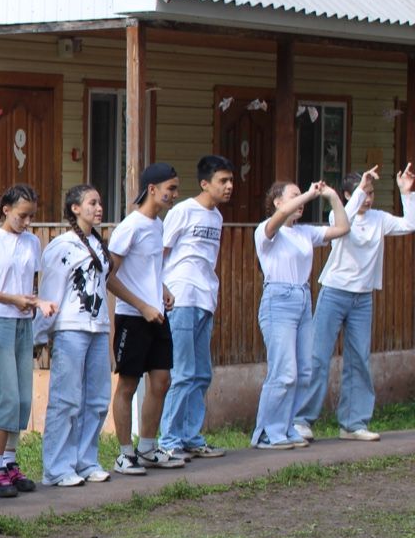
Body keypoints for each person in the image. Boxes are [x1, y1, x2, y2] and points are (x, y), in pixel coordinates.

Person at [296, 164, 415, 442]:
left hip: (363, 297)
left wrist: (405, 193)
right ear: (348, 195)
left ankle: (353, 423)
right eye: (364, 192)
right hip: (334, 292)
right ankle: (302, 419)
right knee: (318, 356)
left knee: (359, 358)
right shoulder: (341, 215)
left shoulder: (379, 219)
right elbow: (342, 224)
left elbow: (410, 224)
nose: (369, 198)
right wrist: (359, 191)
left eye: (372, 193)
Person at [0, 184, 56, 499]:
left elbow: (29, 286)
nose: (27, 222)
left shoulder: (32, 242)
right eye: (22, 215)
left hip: (23, 323)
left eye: (31, 216)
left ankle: (10, 462)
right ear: (5, 209)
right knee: (4, 394)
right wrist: (12, 299)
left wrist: (37, 305)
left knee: (21, 397)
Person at [252, 180, 349, 449]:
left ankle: (287, 426)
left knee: (304, 371)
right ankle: (266, 432)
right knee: (283, 371)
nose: (302, 203)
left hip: (303, 298)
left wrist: (330, 196)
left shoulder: (305, 233)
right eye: (294, 197)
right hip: (278, 300)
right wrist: (308, 193)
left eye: (301, 199)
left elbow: (343, 227)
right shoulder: (267, 231)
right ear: (278, 202)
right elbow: (280, 218)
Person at [107, 161, 185, 475]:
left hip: (157, 314)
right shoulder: (131, 226)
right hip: (133, 317)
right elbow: (108, 277)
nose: (175, 195)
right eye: (171, 189)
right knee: (128, 384)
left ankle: (148, 448)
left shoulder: (157, 225)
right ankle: (125, 454)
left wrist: (162, 290)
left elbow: (147, 270)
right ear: (152, 189)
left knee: (162, 381)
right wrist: (141, 306)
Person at [36, 184, 113, 487]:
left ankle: (86, 460)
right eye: (91, 203)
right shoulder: (62, 245)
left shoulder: (97, 242)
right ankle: (57, 467)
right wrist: (41, 333)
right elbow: (51, 289)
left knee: (96, 399)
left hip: (97, 327)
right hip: (70, 328)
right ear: (74, 209)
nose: (98, 208)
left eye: (99, 202)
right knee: (67, 399)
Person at [160, 154, 234, 460]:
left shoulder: (216, 217)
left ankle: (191, 436)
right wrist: (161, 290)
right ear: (205, 183)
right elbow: (159, 252)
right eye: (223, 181)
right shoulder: (183, 211)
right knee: (183, 371)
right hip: (182, 297)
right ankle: (168, 439)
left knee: (202, 373)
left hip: (206, 298)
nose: (229, 186)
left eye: (231, 181)